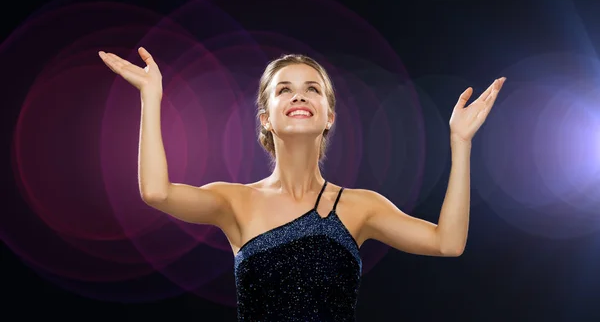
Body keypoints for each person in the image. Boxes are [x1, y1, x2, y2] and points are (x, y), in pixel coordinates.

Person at [98, 47, 505, 321]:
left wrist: (460, 143)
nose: (299, 96)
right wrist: (151, 97)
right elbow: (156, 191)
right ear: (266, 117)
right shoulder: (236, 201)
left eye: (312, 89)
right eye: (284, 89)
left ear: (329, 116)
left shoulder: (360, 207)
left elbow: (448, 243)